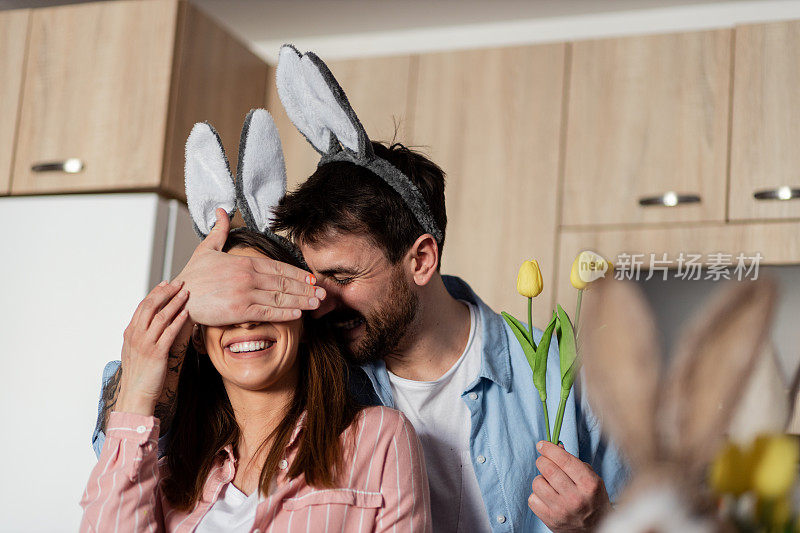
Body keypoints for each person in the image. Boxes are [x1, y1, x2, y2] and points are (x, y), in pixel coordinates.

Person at [81, 228, 431, 532]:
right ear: (198, 337)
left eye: (264, 298)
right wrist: (139, 390)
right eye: (225, 305)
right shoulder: (165, 471)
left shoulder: (380, 438)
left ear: (305, 320)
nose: (246, 321)